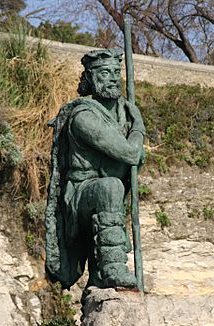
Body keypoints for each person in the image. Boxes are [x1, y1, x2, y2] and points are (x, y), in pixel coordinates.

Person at [45, 48, 145, 290]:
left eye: (115, 72)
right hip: (79, 195)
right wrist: (139, 125)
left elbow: (133, 157)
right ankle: (113, 269)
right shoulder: (83, 116)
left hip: (106, 198)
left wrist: (132, 124)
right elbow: (131, 153)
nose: (111, 78)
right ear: (89, 77)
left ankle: (100, 278)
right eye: (104, 73)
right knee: (110, 187)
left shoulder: (123, 114)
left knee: (111, 188)